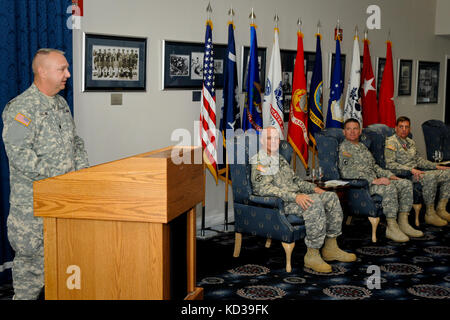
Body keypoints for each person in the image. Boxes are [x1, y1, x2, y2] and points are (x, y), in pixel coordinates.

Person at [2, 48, 89, 299]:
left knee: (63, 270)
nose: (68, 74)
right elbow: (20, 156)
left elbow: (76, 142)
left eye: (66, 68)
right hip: (32, 210)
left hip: (64, 203)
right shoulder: (21, 108)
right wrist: (60, 178)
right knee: (31, 276)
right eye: (62, 69)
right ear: (42, 71)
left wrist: (81, 174)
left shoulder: (61, 104)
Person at [250, 127, 356, 274]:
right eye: (269, 138)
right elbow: (263, 189)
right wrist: (294, 196)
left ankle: (331, 247)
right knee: (313, 203)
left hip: (296, 197)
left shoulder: (279, 159)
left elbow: (296, 181)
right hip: (281, 203)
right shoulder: (259, 161)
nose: (273, 141)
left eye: (276, 138)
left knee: (330, 197)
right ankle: (312, 254)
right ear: (262, 141)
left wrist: (313, 189)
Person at [338, 118, 423, 242]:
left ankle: (403, 222)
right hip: (364, 185)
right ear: (344, 132)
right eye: (348, 129)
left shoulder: (362, 147)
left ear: (360, 131)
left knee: (405, 183)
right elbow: (346, 172)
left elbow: (374, 166)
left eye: (355, 128)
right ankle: (391, 227)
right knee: (389, 187)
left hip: (375, 181)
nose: (352, 132)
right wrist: (373, 181)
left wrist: (389, 175)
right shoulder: (344, 149)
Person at [385, 116, 450, 226]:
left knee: (448, 173)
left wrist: (436, 166)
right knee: (430, 177)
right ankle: (430, 213)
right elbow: (390, 164)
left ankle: (441, 208)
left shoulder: (410, 142)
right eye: (401, 127)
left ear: (410, 129)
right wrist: (411, 170)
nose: (404, 129)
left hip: (418, 172)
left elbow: (419, 161)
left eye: (406, 127)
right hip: (406, 175)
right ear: (396, 128)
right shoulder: (391, 142)